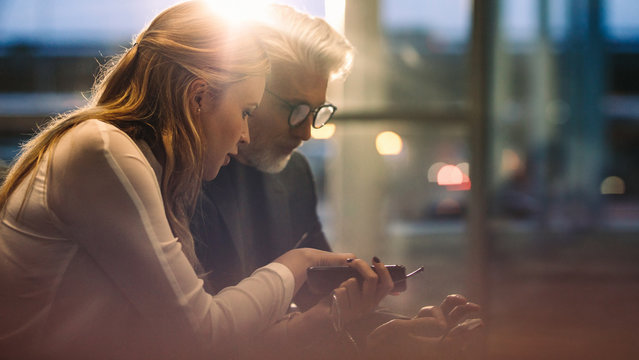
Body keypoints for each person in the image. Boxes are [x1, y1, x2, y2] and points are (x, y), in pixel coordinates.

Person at [0, 2, 394, 359]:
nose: (245, 134)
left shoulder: (145, 165)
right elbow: (204, 338)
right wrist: (299, 262)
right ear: (199, 98)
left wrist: (370, 330)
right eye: (245, 111)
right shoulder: (105, 152)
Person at [191, 4, 482, 359]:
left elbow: (323, 304)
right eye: (295, 109)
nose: (306, 132)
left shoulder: (294, 174)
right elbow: (202, 339)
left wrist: (388, 329)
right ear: (249, 92)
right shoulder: (184, 176)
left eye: (317, 113)